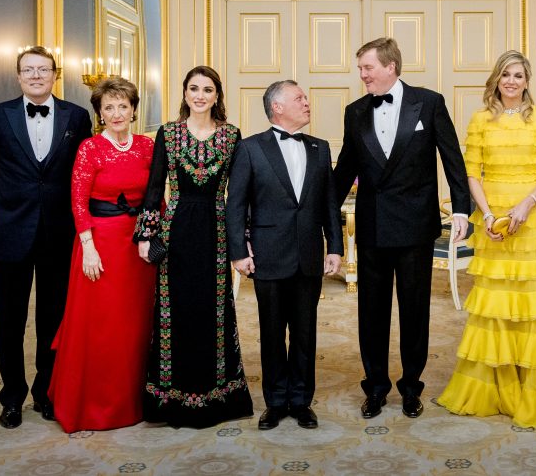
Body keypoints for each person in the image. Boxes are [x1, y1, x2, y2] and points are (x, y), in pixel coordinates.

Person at [438, 50, 536, 429]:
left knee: (531, 303)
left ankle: (532, 385)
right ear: (496, 80)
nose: (512, 82)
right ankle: (496, 387)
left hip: (529, 218)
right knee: (495, 304)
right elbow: (471, 172)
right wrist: (485, 213)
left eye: (518, 75)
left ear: (527, 80)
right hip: (493, 220)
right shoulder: (481, 119)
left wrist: (525, 206)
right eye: (506, 75)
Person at [333, 37, 471, 420]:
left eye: (367, 68)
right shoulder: (355, 111)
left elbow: (452, 158)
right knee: (371, 313)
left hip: (415, 227)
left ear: (391, 66)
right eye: (360, 68)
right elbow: (345, 168)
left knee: (414, 312)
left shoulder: (429, 102)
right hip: (373, 226)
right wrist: (320, 213)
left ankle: (411, 387)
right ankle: (375, 388)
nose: (362, 75)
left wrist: (461, 208)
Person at [0, 46, 93, 429]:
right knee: (10, 320)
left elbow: (81, 175)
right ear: (19, 75)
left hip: (59, 234)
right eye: (29, 70)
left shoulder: (77, 116)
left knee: (52, 319)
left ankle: (46, 391)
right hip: (11, 233)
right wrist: (6, 212)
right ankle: (12, 397)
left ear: (55, 74)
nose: (37, 76)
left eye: (44, 69)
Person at [134, 66, 254, 428]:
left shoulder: (232, 136)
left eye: (207, 89)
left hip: (217, 231)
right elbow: (154, 189)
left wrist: (243, 239)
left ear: (217, 96)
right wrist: (145, 235)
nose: (200, 95)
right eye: (193, 89)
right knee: (174, 311)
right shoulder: (167, 134)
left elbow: (241, 196)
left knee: (214, 312)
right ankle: (171, 398)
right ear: (184, 94)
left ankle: (217, 395)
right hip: (175, 231)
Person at [226, 80, 344, 430]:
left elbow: (328, 205)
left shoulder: (320, 148)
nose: (307, 103)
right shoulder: (249, 148)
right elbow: (236, 205)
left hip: (308, 256)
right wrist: (238, 252)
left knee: (306, 334)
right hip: (268, 257)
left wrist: (335, 247)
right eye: (299, 98)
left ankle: (301, 401)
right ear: (277, 107)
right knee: (272, 334)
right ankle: (275, 403)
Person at [48, 77, 156, 432]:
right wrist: (89, 248)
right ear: (99, 113)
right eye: (108, 107)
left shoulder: (146, 147)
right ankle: (91, 405)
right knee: (101, 327)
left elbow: (157, 197)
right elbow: (78, 202)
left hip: (137, 247)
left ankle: (135, 400)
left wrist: (154, 236)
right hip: (99, 247)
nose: (116, 113)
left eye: (123, 106)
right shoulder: (90, 148)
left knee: (134, 325)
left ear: (134, 110)